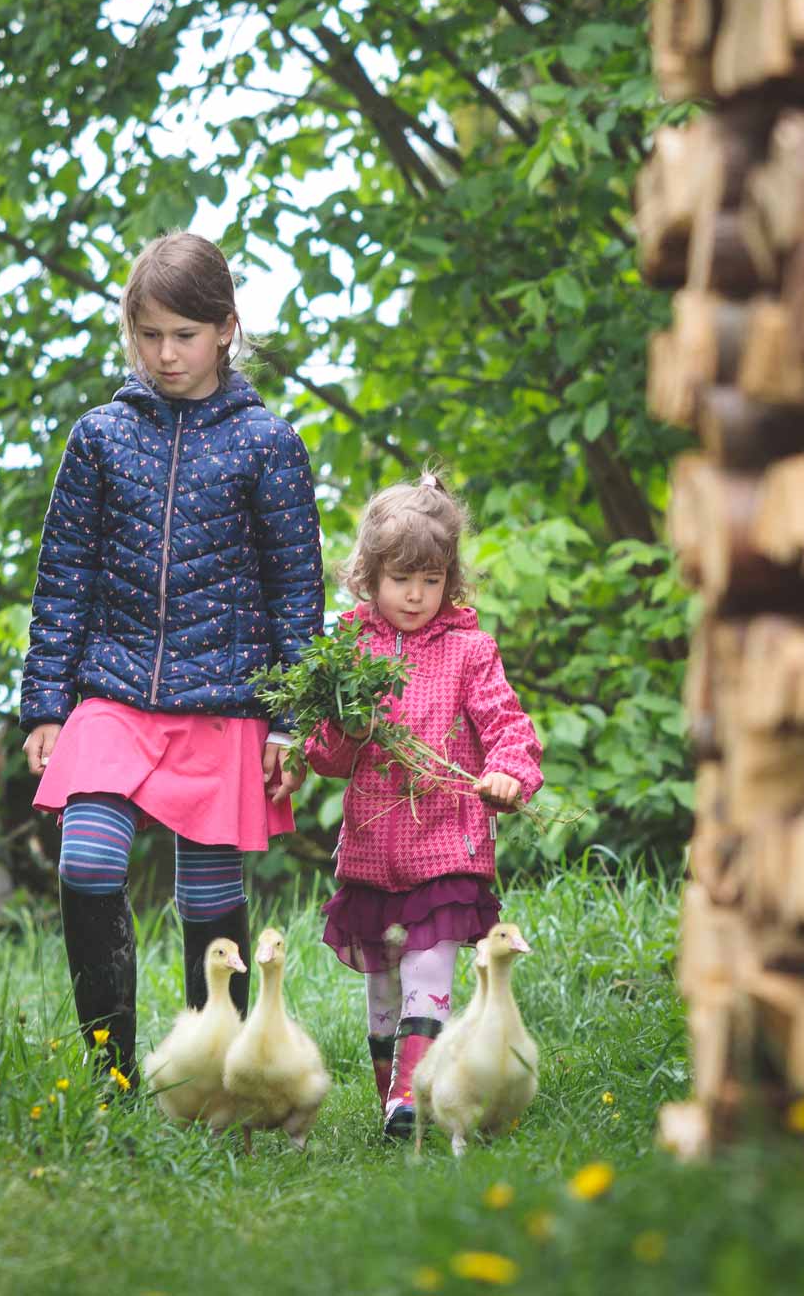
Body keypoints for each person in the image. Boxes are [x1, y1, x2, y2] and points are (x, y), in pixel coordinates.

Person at [17, 231, 323, 1085]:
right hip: (111, 690)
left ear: (226, 328)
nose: (166, 353)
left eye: (184, 334)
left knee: (209, 902)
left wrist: (292, 720)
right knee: (87, 863)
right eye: (149, 334)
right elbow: (63, 576)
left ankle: (208, 1073)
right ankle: (111, 1076)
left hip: (224, 698)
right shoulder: (100, 438)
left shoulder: (269, 443)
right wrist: (46, 704)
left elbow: (296, 591)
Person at [302, 475, 543, 1139]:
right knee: (382, 988)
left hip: (445, 845)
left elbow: (508, 726)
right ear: (370, 576)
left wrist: (507, 773)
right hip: (374, 855)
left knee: (428, 967)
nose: (415, 594)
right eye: (401, 577)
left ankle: (409, 1093)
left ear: (451, 580)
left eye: (431, 579)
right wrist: (347, 727)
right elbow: (326, 755)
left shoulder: (471, 650)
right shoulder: (350, 650)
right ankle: (391, 1098)